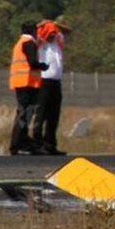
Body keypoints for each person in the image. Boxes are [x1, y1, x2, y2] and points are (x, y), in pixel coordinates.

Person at [8, 21, 48, 155]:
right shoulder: (29, 43)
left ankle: (22, 142)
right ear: (33, 31)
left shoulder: (20, 42)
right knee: (25, 114)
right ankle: (19, 143)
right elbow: (32, 62)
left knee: (24, 113)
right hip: (27, 83)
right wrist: (43, 66)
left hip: (21, 82)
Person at [31, 19, 68, 155]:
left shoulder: (58, 43)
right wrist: (41, 24)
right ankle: (37, 143)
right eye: (50, 33)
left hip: (56, 81)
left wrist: (55, 24)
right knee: (41, 114)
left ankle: (50, 144)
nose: (52, 35)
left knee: (54, 115)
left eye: (54, 33)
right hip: (44, 81)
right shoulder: (40, 43)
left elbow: (68, 30)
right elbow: (33, 31)